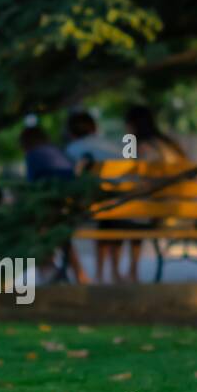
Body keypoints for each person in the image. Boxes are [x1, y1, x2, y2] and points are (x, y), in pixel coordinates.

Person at [121, 105, 188, 283]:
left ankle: (128, 271)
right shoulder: (169, 144)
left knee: (124, 214)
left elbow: (134, 179)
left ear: (132, 125)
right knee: (138, 211)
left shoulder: (138, 146)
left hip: (161, 212)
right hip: (185, 209)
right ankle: (130, 271)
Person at [65, 110, 129, 283]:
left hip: (91, 205)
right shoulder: (114, 146)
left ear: (71, 131)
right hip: (124, 204)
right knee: (111, 220)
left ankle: (98, 273)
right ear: (94, 127)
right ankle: (114, 271)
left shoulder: (73, 149)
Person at [20, 124, 88, 284]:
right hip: (71, 205)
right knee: (57, 230)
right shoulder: (56, 151)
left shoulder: (33, 155)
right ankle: (79, 273)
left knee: (37, 226)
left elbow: (32, 186)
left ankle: (47, 268)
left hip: (53, 206)